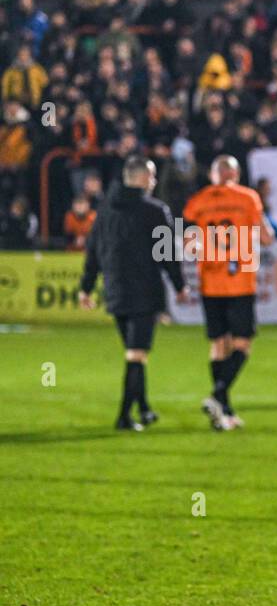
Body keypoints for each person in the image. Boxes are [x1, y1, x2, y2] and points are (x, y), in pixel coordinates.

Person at [77, 156, 192, 430]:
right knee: (136, 355)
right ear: (141, 179)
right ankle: (124, 417)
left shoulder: (104, 210)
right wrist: (179, 286)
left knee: (134, 353)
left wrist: (85, 288)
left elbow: (92, 252)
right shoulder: (154, 210)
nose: (153, 182)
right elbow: (167, 255)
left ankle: (144, 408)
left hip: (115, 292)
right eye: (151, 177)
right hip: (144, 293)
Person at [183, 155, 271, 431]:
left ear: (214, 175)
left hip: (210, 281)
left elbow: (187, 244)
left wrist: (207, 252)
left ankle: (224, 411)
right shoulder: (248, 198)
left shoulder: (198, 201)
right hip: (240, 281)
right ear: (235, 174)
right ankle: (219, 395)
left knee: (218, 343)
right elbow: (266, 236)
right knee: (242, 343)